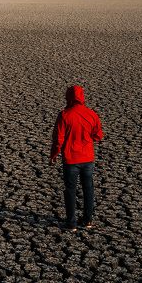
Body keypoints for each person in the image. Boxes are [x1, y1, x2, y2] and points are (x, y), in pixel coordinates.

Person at [49, 84, 104, 231]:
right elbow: (98, 136)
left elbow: (58, 139)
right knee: (88, 189)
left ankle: (71, 223)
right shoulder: (92, 114)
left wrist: (54, 154)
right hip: (88, 159)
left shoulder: (65, 115)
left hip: (71, 160)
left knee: (71, 190)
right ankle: (88, 220)